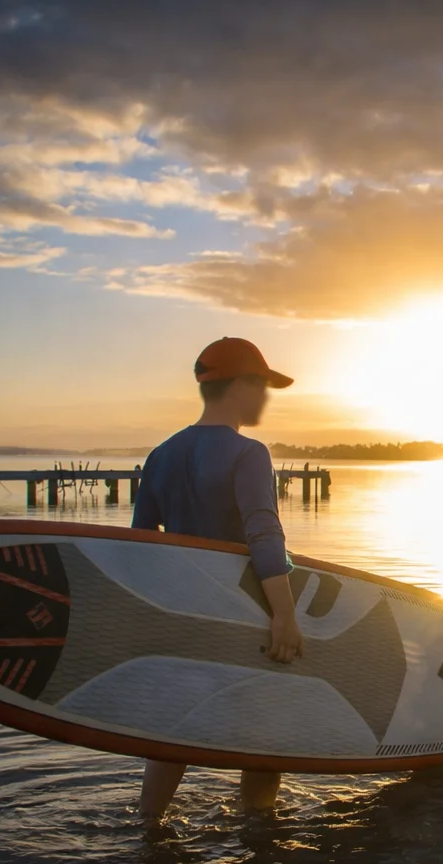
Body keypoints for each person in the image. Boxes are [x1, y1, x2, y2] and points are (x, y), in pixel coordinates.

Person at [130, 336, 304, 819]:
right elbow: (264, 536)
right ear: (241, 386)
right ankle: (257, 835)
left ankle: (149, 830)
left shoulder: (161, 456)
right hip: (244, 615)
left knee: (173, 734)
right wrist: (285, 615)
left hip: (183, 615)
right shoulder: (249, 453)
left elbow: (140, 544)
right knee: (267, 737)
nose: (267, 397)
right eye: (263, 385)